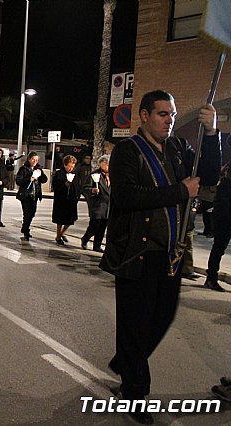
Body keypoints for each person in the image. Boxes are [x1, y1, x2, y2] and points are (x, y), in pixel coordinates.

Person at [100, 90, 220, 425]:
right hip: (138, 251)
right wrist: (180, 191)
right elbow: (124, 197)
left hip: (171, 254)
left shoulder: (179, 148)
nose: (169, 120)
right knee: (135, 325)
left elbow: (208, 175)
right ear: (144, 115)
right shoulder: (127, 151)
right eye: (162, 114)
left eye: (172, 114)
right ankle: (136, 394)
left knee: (162, 318)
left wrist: (212, 134)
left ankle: (126, 362)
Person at [204, 133, 231, 292]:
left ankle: (211, 277)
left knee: (219, 247)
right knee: (219, 246)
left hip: (223, 213)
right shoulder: (226, 180)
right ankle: (211, 277)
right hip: (225, 215)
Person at [15, 151, 48, 241]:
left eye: (36, 160)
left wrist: (40, 174)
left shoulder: (38, 169)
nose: (34, 161)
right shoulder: (24, 169)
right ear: (29, 159)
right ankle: (26, 230)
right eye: (33, 159)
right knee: (27, 213)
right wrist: (28, 179)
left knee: (32, 213)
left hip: (35, 194)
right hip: (26, 194)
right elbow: (18, 181)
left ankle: (25, 227)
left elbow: (44, 180)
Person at [80, 155, 110, 252]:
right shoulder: (95, 175)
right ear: (102, 164)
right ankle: (85, 238)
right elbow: (85, 188)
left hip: (108, 205)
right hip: (97, 204)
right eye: (107, 164)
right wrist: (92, 191)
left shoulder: (113, 175)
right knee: (94, 226)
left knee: (102, 227)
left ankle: (97, 245)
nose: (108, 166)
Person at [51, 155, 81, 245]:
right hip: (61, 200)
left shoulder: (74, 174)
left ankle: (62, 233)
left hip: (71, 200)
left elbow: (77, 187)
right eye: (69, 166)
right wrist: (64, 185)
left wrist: (77, 196)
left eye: (73, 166)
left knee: (70, 219)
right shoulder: (59, 173)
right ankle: (58, 235)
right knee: (60, 219)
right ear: (65, 164)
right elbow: (55, 186)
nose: (71, 168)